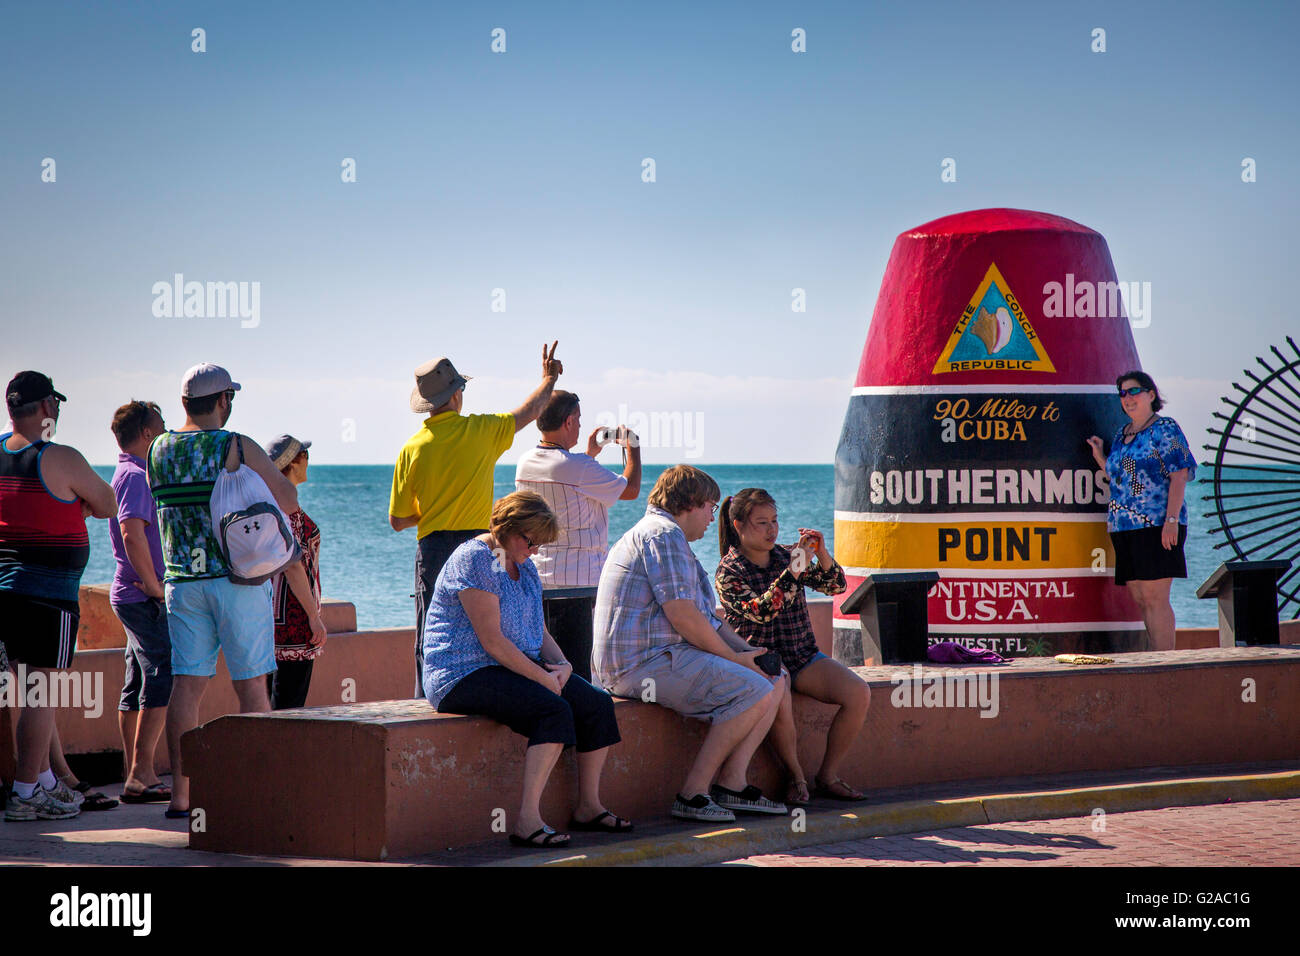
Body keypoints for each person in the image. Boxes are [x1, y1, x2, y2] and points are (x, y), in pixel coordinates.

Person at [149, 363, 315, 819]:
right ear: (223, 400)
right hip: (236, 581)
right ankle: (256, 794)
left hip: (182, 583)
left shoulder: (158, 448)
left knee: (187, 689)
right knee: (252, 690)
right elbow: (288, 499)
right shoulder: (232, 444)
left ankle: (181, 798)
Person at [423, 491, 630, 848]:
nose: (534, 550)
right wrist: (543, 678)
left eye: (539, 544)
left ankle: (588, 806)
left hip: (511, 667)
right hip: (463, 672)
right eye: (530, 540)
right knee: (552, 709)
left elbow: (539, 629)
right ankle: (527, 821)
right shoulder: (476, 559)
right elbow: (493, 641)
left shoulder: (525, 565)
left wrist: (563, 665)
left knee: (596, 704)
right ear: (506, 527)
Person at [593, 465, 786, 823]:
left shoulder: (670, 538)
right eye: (711, 508)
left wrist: (748, 653)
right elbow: (683, 616)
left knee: (774, 677)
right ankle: (692, 794)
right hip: (640, 664)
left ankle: (732, 783)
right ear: (692, 503)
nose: (713, 519)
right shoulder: (663, 536)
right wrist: (733, 659)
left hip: (661, 656)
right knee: (754, 689)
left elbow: (707, 618)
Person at [390, 344, 564, 695]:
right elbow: (531, 411)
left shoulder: (412, 448)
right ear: (456, 395)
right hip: (485, 547)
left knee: (432, 632)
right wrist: (549, 378)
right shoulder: (482, 430)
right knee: (499, 627)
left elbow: (398, 519)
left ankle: (428, 703)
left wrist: (437, 509)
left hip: (435, 547)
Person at [1, 371, 117, 821]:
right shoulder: (59, 456)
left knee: (24, 691)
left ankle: (44, 781)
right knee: (40, 694)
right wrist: (76, 501)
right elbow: (106, 503)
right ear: (48, 407)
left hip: (5, 593)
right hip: (46, 597)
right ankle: (26, 792)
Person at [714, 488, 870, 804]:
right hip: (761, 661)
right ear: (738, 524)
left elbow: (837, 586)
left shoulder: (787, 555)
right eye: (761, 522)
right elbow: (762, 611)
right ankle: (796, 777)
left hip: (803, 656)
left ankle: (828, 776)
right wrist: (796, 567)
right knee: (780, 691)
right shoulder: (728, 572)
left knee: (859, 693)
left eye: (774, 520)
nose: (772, 529)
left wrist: (821, 553)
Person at [515, 390, 641, 681]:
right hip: (578, 584)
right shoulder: (579, 468)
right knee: (577, 673)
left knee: (547, 669)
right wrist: (632, 445)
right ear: (569, 421)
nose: (581, 425)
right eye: (579, 419)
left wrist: (589, 454)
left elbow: (567, 476)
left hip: (538, 579)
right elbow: (631, 489)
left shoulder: (525, 463)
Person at [1087, 371, 1197, 652]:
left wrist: (1171, 521)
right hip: (1124, 528)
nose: (1127, 398)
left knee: (1156, 598)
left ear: (1151, 394)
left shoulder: (1165, 428)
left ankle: (1165, 663)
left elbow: (1180, 474)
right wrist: (1102, 458)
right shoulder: (1121, 435)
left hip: (1156, 526)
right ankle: (1156, 657)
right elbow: (1123, 480)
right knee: (1141, 599)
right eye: (1122, 393)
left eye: (1133, 391)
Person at [107, 400, 173, 803]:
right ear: (147, 434)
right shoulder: (133, 476)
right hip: (140, 595)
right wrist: (152, 585)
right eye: (161, 425)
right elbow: (132, 533)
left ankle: (134, 773)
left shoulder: (132, 473)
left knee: (135, 682)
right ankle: (141, 773)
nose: (166, 430)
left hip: (132, 593)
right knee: (162, 673)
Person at [263, 434, 327, 709]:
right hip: (293, 617)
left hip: (268, 618)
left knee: (271, 703)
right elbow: (293, 565)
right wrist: (313, 615)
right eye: (305, 456)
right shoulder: (288, 508)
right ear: (293, 463)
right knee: (289, 707)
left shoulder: (269, 504)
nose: (309, 462)